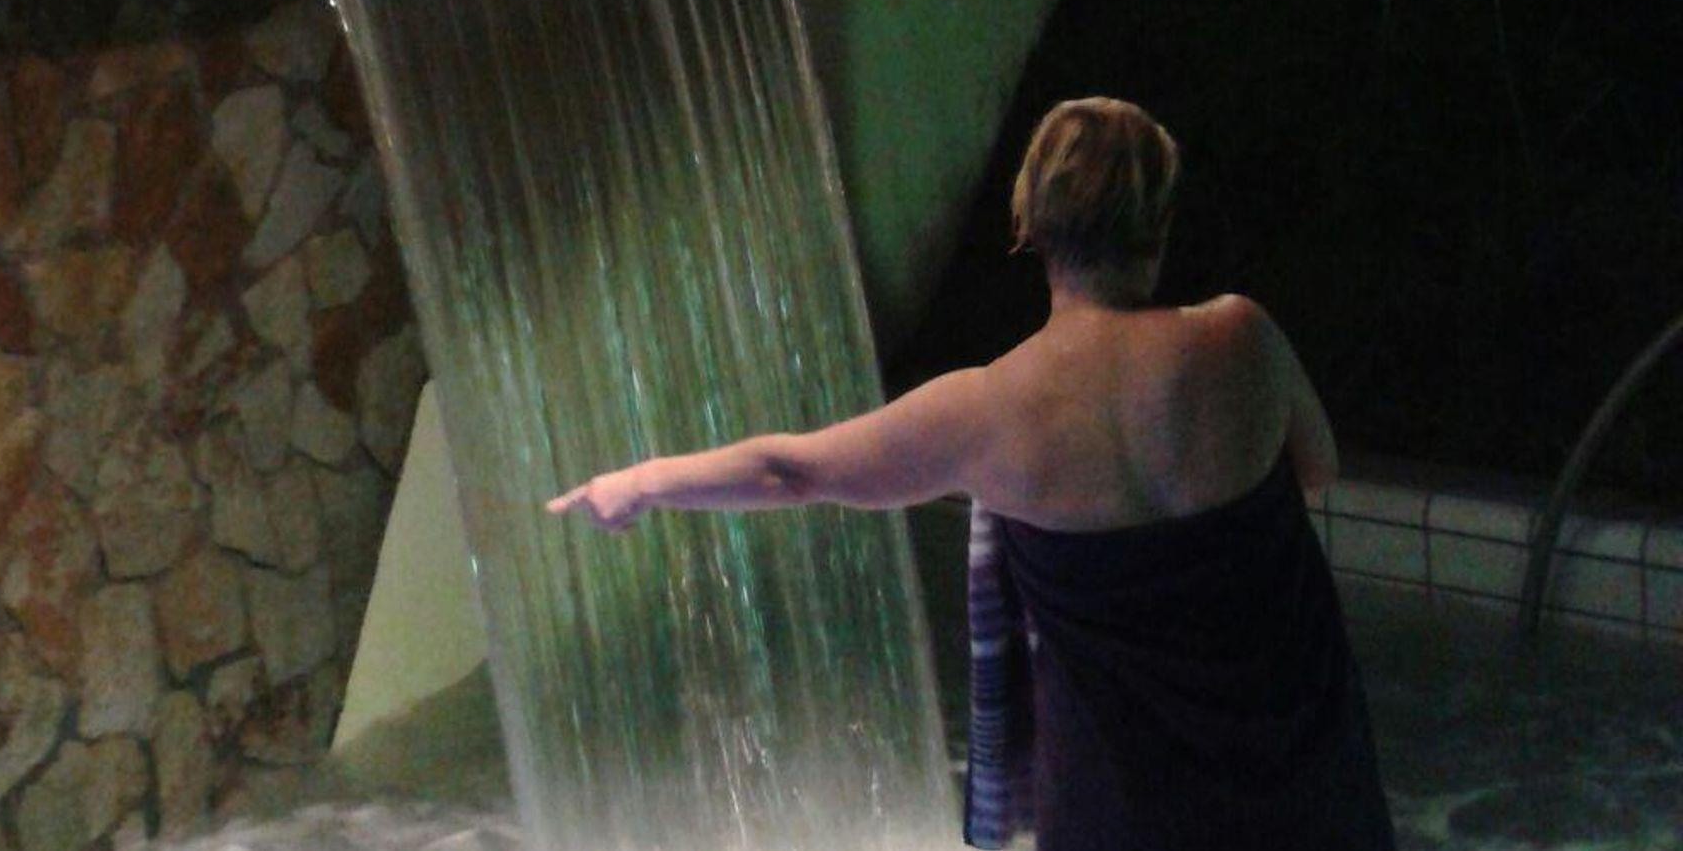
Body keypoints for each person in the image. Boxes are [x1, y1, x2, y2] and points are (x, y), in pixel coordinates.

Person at [548, 96, 1396, 851]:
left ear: (1028, 222)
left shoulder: (986, 413)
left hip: (1120, 810)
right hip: (1303, 783)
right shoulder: (1242, 341)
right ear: (1159, 221)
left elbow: (791, 472)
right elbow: (1317, 467)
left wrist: (641, 481)